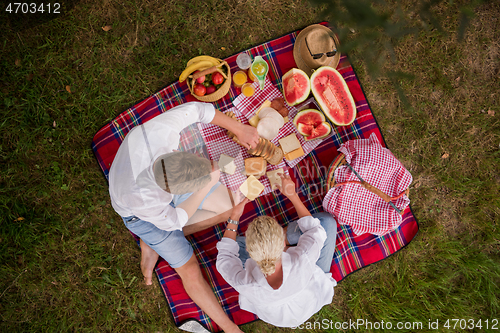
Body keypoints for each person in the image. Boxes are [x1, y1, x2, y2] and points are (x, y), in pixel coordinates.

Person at [108, 101, 259, 333]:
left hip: (161, 185)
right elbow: (175, 221)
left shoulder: (162, 132)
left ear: (175, 152)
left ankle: (155, 243)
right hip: (139, 215)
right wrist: (206, 183)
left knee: (228, 205)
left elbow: (200, 110)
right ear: (174, 193)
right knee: (189, 267)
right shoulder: (144, 200)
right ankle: (230, 328)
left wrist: (239, 129)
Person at [216, 174, 338, 328]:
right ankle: (281, 241)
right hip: (310, 296)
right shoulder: (304, 259)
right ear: (282, 240)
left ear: (249, 250)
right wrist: (292, 195)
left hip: (280, 314)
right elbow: (315, 230)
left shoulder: (245, 284)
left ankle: (264, 246)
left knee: (235, 242)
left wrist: (234, 217)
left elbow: (225, 256)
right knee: (327, 222)